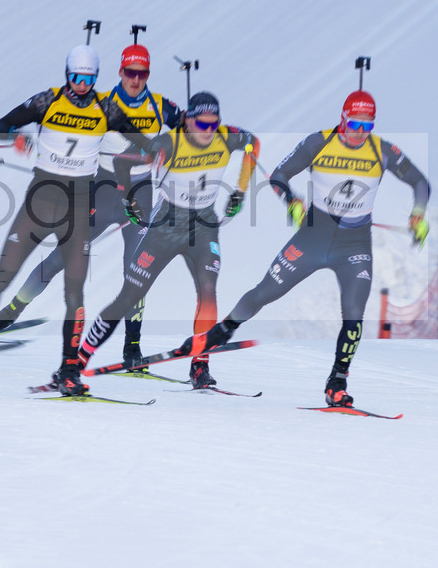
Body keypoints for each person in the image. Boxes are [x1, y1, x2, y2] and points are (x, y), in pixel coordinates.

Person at [174, 90, 429, 405]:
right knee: (264, 293)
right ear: (342, 119)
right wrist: (291, 200)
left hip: (355, 246)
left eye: (366, 126)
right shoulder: (318, 142)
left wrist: (417, 214)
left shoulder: (383, 150)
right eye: (353, 125)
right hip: (313, 236)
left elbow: (420, 182)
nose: (358, 134)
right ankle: (214, 339)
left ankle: (337, 382)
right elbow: (279, 175)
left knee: (353, 315)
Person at [0, 45, 157, 396]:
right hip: (39, 202)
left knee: (74, 291)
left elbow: (144, 145)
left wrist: (145, 153)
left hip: (77, 207)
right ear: (66, 74)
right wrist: (16, 136)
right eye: (75, 77)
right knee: (3, 274)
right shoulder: (47, 101)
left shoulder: (107, 108)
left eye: (88, 79)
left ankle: (69, 368)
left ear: (96, 78)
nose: (81, 85)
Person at [0, 44, 182, 374]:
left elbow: (191, 130)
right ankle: (11, 311)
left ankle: (132, 347)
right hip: (103, 189)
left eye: (142, 73)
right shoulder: (102, 103)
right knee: (60, 257)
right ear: (120, 72)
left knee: (137, 269)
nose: (136, 79)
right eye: (130, 73)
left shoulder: (161, 106)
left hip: (142, 192)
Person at [75, 91, 258, 388]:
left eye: (214, 124)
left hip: (204, 226)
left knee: (208, 291)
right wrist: (128, 199)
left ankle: (200, 365)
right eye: (201, 124)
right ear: (188, 120)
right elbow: (122, 162)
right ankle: (78, 359)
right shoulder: (169, 143)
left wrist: (239, 190)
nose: (208, 131)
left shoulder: (227, 137)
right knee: (128, 297)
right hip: (166, 225)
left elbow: (253, 144)